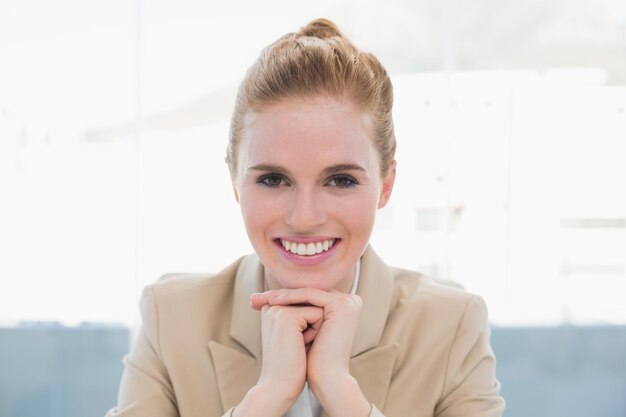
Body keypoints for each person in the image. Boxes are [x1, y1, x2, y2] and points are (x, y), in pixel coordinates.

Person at [106, 18, 505, 417]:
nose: (305, 217)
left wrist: (342, 392)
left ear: (385, 186)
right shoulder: (170, 318)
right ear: (234, 182)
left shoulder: (452, 327)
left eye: (341, 180)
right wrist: (267, 398)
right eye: (274, 179)